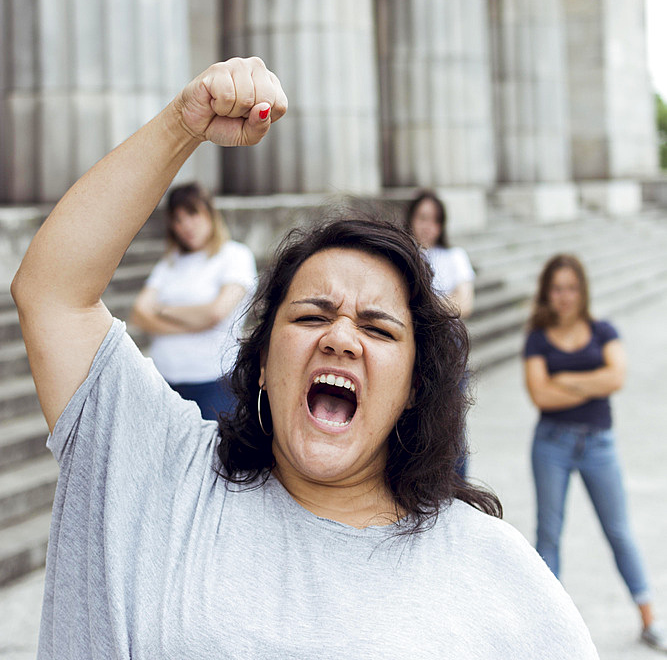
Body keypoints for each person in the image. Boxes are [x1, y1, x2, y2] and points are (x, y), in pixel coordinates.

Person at [12, 56, 599, 659]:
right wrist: (181, 125)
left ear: (415, 386)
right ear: (263, 361)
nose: (341, 338)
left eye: (378, 328)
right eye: (312, 315)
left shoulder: (497, 576)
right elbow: (52, 295)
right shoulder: (163, 471)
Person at [523, 254, 667, 653]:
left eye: (571, 287)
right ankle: (547, 629)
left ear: (582, 290)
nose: (564, 296)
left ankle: (648, 620)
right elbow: (539, 394)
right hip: (551, 443)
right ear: (546, 293)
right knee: (548, 536)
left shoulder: (604, 330)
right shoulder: (537, 336)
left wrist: (565, 377)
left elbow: (617, 377)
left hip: (599, 444)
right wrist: (593, 381)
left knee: (619, 532)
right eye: (557, 288)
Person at [131, 182, 257, 419]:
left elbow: (216, 313)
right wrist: (194, 323)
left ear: (210, 213)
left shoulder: (235, 256)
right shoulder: (170, 263)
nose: (185, 225)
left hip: (213, 383)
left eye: (192, 214)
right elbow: (139, 314)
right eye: (177, 219)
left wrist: (163, 310)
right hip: (163, 383)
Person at [407, 190, 475, 318]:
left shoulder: (455, 256)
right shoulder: (403, 257)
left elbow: (465, 304)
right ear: (411, 218)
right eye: (423, 218)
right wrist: (448, 301)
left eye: (435, 220)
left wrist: (420, 306)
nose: (428, 226)